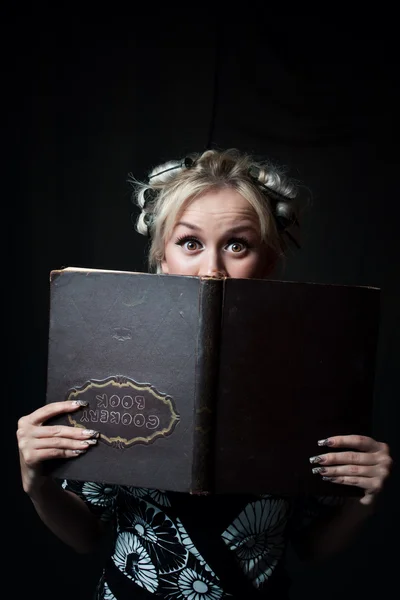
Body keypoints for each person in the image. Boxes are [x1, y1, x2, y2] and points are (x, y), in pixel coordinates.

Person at [17, 148, 393, 599]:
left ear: (268, 262)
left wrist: (365, 502)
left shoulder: (311, 373)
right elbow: (86, 535)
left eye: (237, 245)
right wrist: (37, 484)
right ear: (162, 258)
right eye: (190, 243)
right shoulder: (115, 366)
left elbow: (311, 547)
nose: (212, 269)